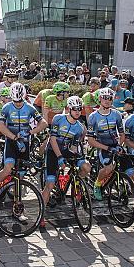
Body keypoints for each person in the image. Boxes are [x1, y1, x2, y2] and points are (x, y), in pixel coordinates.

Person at [41, 96, 89, 227]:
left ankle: (75, 184)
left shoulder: (80, 127)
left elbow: (75, 145)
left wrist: (75, 157)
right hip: (53, 150)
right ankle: (41, 214)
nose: (78, 112)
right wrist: (60, 158)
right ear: (68, 109)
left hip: (68, 149)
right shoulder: (58, 119)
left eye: (80, 109)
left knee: (86, 167)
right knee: (49, 184)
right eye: (75, 109)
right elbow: (53, 140)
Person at [0, 83, 48, 194]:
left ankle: (16, 196)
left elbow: (44, 123)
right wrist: (13, 136)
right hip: (11, 142)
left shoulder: (29, 107)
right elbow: (0, 125)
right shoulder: (7, 107)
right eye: (15, 101)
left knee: (21, 174)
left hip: (25, 143)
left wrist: (31, 132)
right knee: (8, 168)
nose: (18, 104)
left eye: (20, 101)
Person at [87, 87, 127, 200]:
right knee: (109, 167)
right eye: (105, 98)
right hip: (102, 145)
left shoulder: (116, 114)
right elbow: (90, 140)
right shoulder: (93, 117)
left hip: (115, 144)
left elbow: (122, 134)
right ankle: (97, 184)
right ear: (100, 99)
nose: (107, 100)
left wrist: (119, 145)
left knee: (128, 166)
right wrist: (107, 148)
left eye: (110, 98)